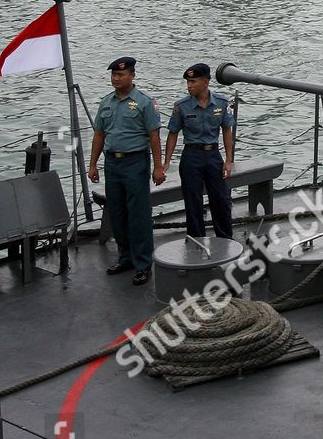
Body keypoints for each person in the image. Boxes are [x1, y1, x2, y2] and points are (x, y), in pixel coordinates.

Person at [88, 57, 164, 285]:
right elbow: (99, 135)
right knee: (117, 212)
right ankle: (125, 258)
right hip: (112, 163)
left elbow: (154, 136)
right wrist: (93, 164)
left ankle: (142, 263)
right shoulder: (106, 103)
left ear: (132, 75)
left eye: (121, 75)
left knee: (138, 214)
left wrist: (158, 167)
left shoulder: (144, 102)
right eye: (113, 75)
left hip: (135, 162)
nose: (116, 78)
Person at [163, 63, 236, 239]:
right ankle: (197, 240)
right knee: (193, 202)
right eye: (188, 82)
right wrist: (166, 161)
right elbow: (173, 134)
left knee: (220, 200)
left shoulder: (221, 102)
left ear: (206, 81)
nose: (189, 86)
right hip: (191, 156)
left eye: (193, 81)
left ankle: (225, 239)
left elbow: (227, 131)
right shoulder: (181, 106)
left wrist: (228, 160)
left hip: (213, 155)